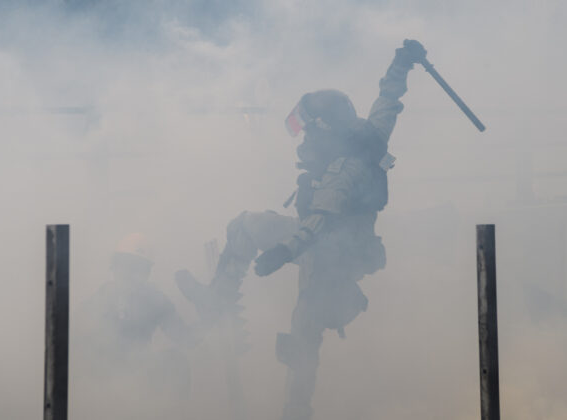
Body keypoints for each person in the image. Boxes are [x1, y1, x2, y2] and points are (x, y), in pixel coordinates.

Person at [177, 40, 427, 420]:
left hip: (325, 255)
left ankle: (221, 305)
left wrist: (284, 251)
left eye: (309, 132)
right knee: (300, 337)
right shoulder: (368, 137)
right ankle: (291, 405)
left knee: (250, 236)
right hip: (335, 254)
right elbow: (387, 101)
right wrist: (401, 63)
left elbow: (319, 221)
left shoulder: (343, 170)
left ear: (326, 130)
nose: (306, 140)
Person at [73, 233, 195, 418]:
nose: (129, 273)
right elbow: (74, 334)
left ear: (146, 272)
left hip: (140, 377)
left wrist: (214, 322)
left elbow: (183, 336)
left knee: (176, 361)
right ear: (115, 267)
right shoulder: (101, 297)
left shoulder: (155, 299)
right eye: (125, 266)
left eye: (136, 268)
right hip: (101, 379)